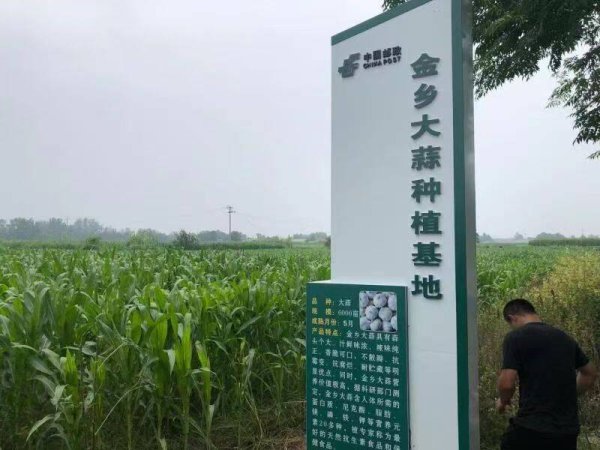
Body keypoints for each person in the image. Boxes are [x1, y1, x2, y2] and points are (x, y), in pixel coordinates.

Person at [496, 298, 597, 450]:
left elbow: (506, 384)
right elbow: (590, 373)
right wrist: (568, 394)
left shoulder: (516, 337)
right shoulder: (565, 338)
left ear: (512, 318)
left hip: (532, 428)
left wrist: (503, 402)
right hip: (566, 433)